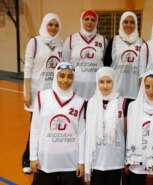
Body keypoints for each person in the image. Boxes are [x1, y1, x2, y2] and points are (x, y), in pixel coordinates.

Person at [29, 62, 85, 185]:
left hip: (70, 160)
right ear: (55, 76)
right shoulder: (42, 97)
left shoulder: (79, 102)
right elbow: (35, 127)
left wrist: (81, 160)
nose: (65, 80)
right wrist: (33, 156)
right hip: (46, 159)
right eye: (62, 75)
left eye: (70, 77)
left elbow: (81, 133)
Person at [23, 13, 63, 173]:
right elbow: (28, 67)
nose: (53, 28)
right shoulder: (34, 42)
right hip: (37, 93)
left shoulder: (60, 43)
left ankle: (46, 158)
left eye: (56, 25)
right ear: (44, 25)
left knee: (49, 128)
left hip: (53, 95)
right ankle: (27, 159)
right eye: (50, 24)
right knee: (36, 127)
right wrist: (27, 92)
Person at [84, 67, 129, 185]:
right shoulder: (91, 103)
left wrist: (126, 158)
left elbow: (126, 132)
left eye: (109, 82)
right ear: (97, 82)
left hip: (116, 159)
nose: (105, 86)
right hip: (96, 160)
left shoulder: (123, 103)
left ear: (114, 82)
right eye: (101, 82)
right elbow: (87, 134)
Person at [63, 9, 107, 100]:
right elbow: (66, 63)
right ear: (81, 21)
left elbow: (105, 62)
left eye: (93, 20)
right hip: (76, 87)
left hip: (97, 87)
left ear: (96, 22)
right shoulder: (71, 39)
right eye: (86, 19)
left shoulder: (102, 40)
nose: (90, 22)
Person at [103, 11, 143, 100]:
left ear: (136, 24)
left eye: (132, 22)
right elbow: (106, 65)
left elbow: (144, 67)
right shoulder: (114, 41)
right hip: (116, 91)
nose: (129, 25)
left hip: (135, 92)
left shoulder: (142, 43)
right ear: (121, 23)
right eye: (126, 22)